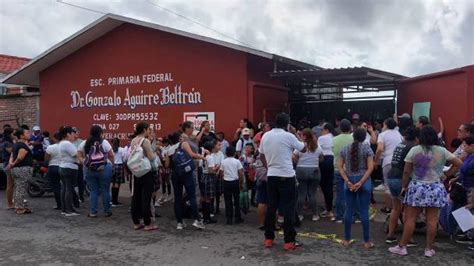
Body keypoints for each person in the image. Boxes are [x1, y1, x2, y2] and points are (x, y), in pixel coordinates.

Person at [389, 126, 462, 257]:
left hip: (417, 187)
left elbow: (406, 171)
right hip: (435, 187)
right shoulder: (442, 151)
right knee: (432, 220)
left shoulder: (414, 150)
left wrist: (404, 185)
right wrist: (447, 175)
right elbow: (458, 163)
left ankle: (402, 246)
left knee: (410, 218)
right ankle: (428, 249)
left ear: (420, 137)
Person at [259, 113, 305, 251]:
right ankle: (289, 241)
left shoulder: (265, 135)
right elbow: (303, 148)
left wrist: (269, 167)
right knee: (288, 209)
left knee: (271, 207)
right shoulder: (289, 136)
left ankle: (268, 238)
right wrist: (294, 133)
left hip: (272, 175)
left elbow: (261, 155)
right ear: (287, 124)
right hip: (287, 175)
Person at [337, 128, 375, 249]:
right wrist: (361, 182)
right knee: (364, 211)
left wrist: (347, 181)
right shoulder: (367, 148)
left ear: (353, 136)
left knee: (348, 210)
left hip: (349, 181)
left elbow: (339, 167)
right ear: (364, 137)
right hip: (363, 181)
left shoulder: (345, 148)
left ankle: (347, 239)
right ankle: (366, 241)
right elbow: (370, 168)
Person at [166, 126, 206, 230]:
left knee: (178, 198)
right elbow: (192, 155)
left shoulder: (169, 149)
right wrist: (203, 157)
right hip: (187, 172)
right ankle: (197, 220)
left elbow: (166, 165)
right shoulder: (183, 144)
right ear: (179, 138)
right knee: (192, 196)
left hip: (175, 174)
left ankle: (179, 222)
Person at [385, 126, 419, 244]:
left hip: (391, 177)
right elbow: (408, 168)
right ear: (416, 137)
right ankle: (408, 238)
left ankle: (390, 235)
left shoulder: (401, 144)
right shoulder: (413, 147)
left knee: (396, 208)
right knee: (407, 210)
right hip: (401, 179)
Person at [124, 123, 158, 231]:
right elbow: (151, 157)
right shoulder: (145, 141)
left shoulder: (133, 140)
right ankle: (148, 224)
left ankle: (136, 222)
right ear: (144, 130)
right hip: (146, 172)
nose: (149, 131)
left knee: (135, 198)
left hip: (136, 172)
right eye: (148, 129)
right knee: (146, 198)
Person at [77, 126, 114, 218]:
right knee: (105, 190)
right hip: (104, 168)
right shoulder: (104, 142)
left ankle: (93, 212)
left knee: (93, 191)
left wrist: (85, 162)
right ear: (101, 133)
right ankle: (107, 211)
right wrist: (111, 164)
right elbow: (111, 155)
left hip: (89, 169)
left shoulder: (84, 142)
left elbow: (78, 154)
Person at [294, 128, 324, 222]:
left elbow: (294, 157)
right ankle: (315, 214)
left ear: (305, 136)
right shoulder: (317, 146)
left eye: (302, 135)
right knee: (312, 193)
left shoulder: (300, 146)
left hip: (301, 170)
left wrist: (298, 162)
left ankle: (299, 214)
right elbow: (322, 158)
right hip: (314, 170)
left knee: (301, 193)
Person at [375, 118, 403, 214]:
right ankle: (398, 207)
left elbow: (380, 149)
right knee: (399, 184)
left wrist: (375, 160)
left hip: (387, 161)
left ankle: (388, 207)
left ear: (385, 125)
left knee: (387, 184)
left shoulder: (382, 135)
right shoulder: (398, 134)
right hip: (398, 162)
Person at [450, 136, 474, 249]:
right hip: (466, 186)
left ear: (472, 146)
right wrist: (456, 179)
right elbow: (463, 170)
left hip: (472, 188)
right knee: (468, 211)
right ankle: (469, 234)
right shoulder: (469, 156)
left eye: (465, 145)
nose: (463, 148)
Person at [332, 119, 354, 223]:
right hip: (351, 169)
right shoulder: (354, 138)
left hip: (337, 169)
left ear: (340, 128)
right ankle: (352, 216)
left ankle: (339, 216)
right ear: (350, 128)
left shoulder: (334, 139)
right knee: (352, 192)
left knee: (340, 193)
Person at [9, 128, 34, 215]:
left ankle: (18, 206)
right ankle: (20, 208)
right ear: (21, 136)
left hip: (16, 169)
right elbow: (20, 157)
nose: (29, 134)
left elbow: (12, 156)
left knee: (17, 188)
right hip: (22, 169)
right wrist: (14, 163)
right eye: (27, 133)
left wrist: (11, 164)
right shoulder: (22, 145)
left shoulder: (16, 144)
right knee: (21, 189)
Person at [58, 126, 80, 217]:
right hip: (69, 167)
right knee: (69, 190)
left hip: (63, 166)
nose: (74, 135)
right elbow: (76, 154)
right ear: (68, 134)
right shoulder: (67, 143)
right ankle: (69, 210)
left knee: (64, 189)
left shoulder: (61, 143)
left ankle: (64, 209)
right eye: (72, 133)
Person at [221, 146, 245, 225]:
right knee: (237, 200)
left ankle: (229, 218)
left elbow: (221, 173)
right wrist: (241, 183)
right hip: (235, 181)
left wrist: (223, 179)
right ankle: (237, 217)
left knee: (228, 201)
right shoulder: (237, 161)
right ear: (234, 153)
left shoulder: (223, 161)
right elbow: (241, 173)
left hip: (226, 182)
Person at [318, 123, 336, 219]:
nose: (320, 131)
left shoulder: (321, 138)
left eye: (322, 129)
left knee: (323, 184)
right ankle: (329, 208)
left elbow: (317, 150)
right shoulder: (333, 137)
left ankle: (328, 208)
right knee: (329, 184)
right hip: (332, 160)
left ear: (326, 130)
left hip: (324, 160)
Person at [201, 141, 219, 224]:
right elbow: (211, 171)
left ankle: (205, 217)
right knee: (208, 198)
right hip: (209, 177)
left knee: (204, 197)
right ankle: (207, 218)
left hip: (203, 176)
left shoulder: (204, 156)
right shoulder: (210, 157)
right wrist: (217, 168)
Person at [45, 133, 62, 210]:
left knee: (56, 186)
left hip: (53, 167)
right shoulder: (65, 146)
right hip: (63, 166)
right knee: (66, 186)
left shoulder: (50, 147)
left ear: (55, 139)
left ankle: (59, 204)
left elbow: (46, 159)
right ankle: (73, 203)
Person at [1, 127, 15, 210]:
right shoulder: (6, 143)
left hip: (9, 164)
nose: (14, 135)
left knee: (12, 184)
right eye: (13, 133)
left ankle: (11, 202)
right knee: (10, 184)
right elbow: (12, 152)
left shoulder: (9, 142)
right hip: (8, 164)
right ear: (9, 134)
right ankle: (10, 204)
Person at [111, 138, 125, 207]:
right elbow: (124, 158)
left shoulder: (111, 150)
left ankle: (112, 200)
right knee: (117, 184)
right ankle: (115, 201)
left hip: (113, 166)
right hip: (119, 166)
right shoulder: (121, 149)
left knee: (113, 183)